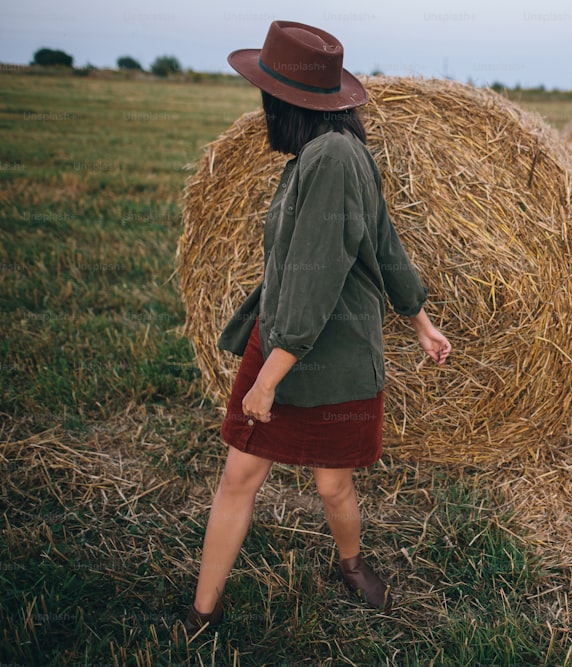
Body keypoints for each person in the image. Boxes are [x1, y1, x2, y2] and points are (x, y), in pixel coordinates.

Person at [183, 20, 451, 634]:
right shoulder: (335, 150)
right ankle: (203, 610)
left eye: (265, 95)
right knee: (241, 477)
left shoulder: (331, 158)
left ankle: (351, 565)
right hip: (282, 338)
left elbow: (319, 278)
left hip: (316, 353)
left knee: (332, 485)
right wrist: (420, 321)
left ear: (285, 100)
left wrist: (270, 376)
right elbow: (385, 245)